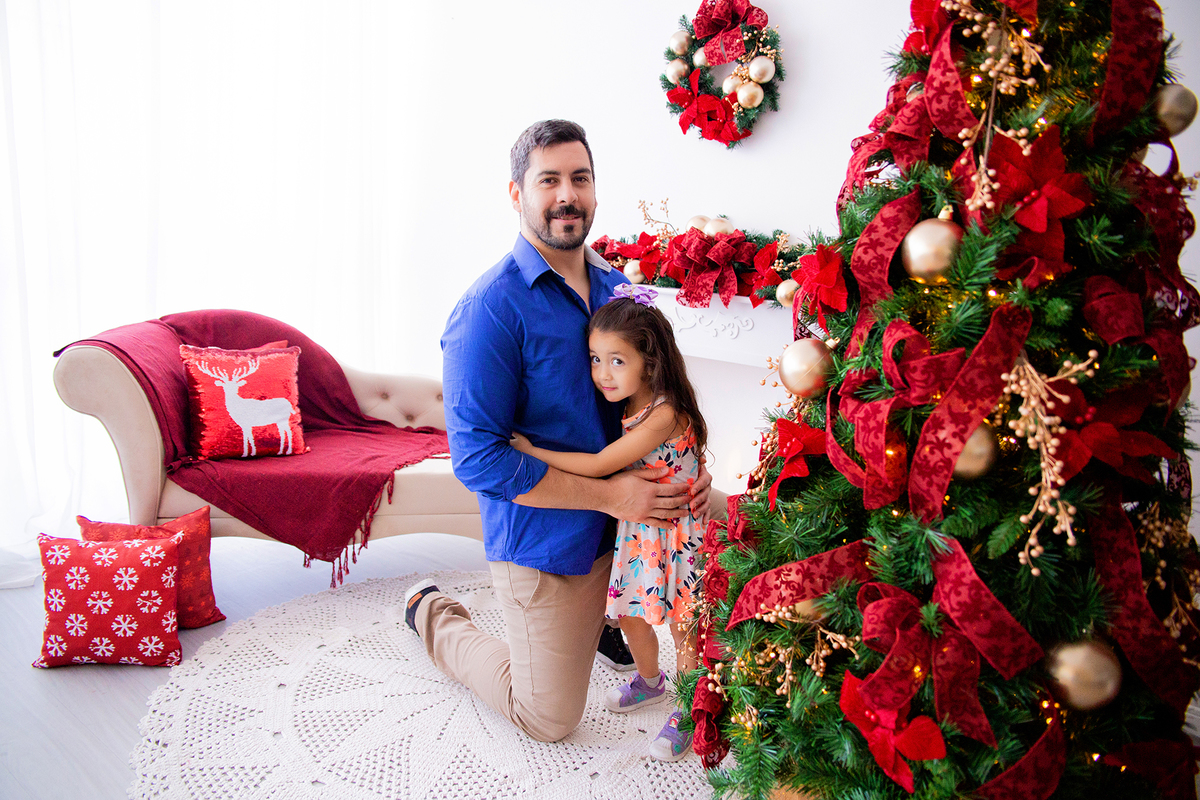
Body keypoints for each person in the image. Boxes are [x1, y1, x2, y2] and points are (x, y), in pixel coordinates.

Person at [405, 119, 714, 744]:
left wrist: (691, 467)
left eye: (580, 178)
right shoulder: (487, 311)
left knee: (720, 569)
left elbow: (663, 390)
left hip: (639, 527)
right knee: (549, 718)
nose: (566, 194)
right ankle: (432, 613)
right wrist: (610, 495)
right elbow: (478, 462)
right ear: (517, 194)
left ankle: (604, 626)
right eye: (548, 180)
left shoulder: (619, 288)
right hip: (552, 540)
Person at [510, 285, 706, 761]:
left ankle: (690, 709)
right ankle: (649, 679)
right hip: (639, 533)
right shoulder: (631, 408)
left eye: (617, 360)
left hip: (675, 534)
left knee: (684, 626)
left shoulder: (664, 414)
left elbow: (600, 465)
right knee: (628, 614)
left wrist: (530, 451)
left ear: (650, 362)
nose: (602, 373)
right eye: (596, 359)